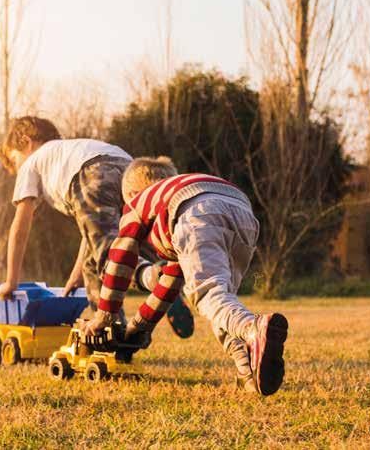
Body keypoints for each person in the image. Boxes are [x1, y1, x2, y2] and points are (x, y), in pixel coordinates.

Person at [82, 157, 289, 395]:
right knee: (220, 302)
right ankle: (248, 373)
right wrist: (138, 328)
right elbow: (169, 282)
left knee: (207, 294)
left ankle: (252, 328)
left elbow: (120, 255)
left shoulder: (139, 201)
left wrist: (104, 315)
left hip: (198, 212)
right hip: (244, 213)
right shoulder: (173, 194)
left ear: (130, 192)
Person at [0, 116, 131, 310]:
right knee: (103, 256)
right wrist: (77, 275)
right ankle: (159, 280)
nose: (18, 170)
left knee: (107, 260)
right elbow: (92, 233)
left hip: (92, 172)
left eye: (15, 161)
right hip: (129, 166)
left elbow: (20, 227)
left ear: (26, 141)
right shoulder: (70, 151)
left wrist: (11, 282)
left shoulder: (32, 161)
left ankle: (111, 328)